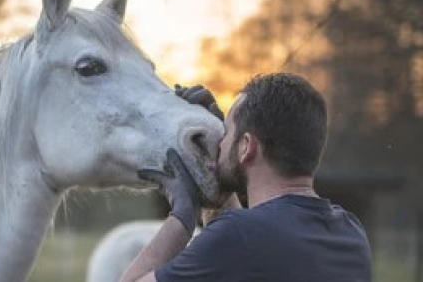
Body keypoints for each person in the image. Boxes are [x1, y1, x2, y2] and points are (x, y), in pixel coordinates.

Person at [120, 73, 372, 282]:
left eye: (226, 132)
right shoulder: (351, 234)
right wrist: (220, 170)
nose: (219, 141)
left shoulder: (238, 235)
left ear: (246, 147)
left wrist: (182, 216)